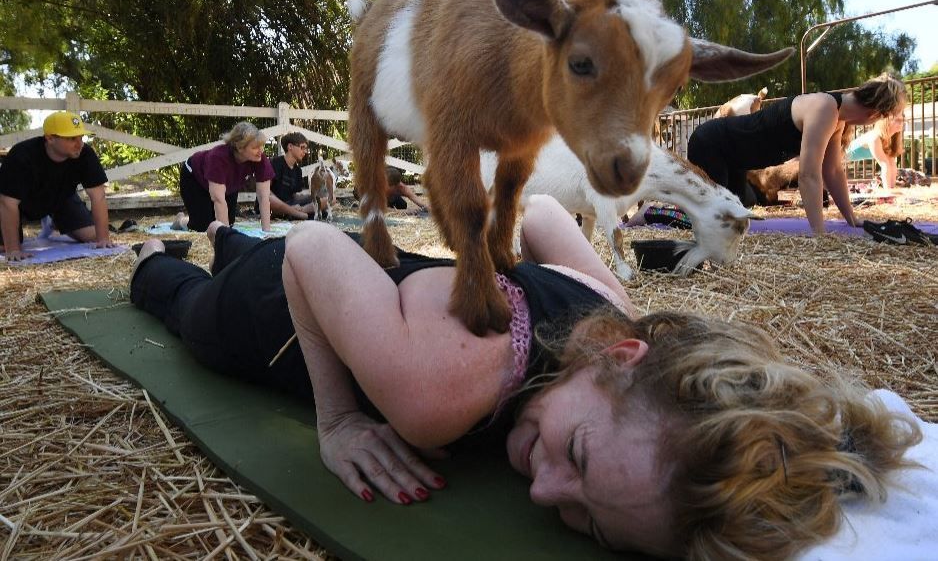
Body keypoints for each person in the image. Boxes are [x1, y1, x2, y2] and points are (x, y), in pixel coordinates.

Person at [130, 194, 921, 560]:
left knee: (234, 246)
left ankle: (221, 232)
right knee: (185, 300)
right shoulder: (437, 394)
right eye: (575, 457)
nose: (545, 494)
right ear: (621, 361)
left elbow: (543, 213)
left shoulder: (614, 311)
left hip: (378, 281)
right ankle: (151, 258)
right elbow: (309, 247)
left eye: (588, 525)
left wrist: (481, 272)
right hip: (271, 314)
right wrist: (338, 421)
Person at [687, 73, 907, 234]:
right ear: (875, 114)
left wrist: (852, 218)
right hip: (711, 144)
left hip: (734, 158)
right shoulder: (824, 108)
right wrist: (819, 233)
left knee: (734, 218)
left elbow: (832, 171)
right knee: (714, 219)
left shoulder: (837, 117)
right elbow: (809, 176)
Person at [0, 111, 114, 261]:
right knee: (5, 247)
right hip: (19, 203)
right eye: (72, 138)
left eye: (81, 137)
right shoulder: (22, 155)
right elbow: (7, 203)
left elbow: (98, 196)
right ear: (50, 138)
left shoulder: (85, 154)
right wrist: (13, 249)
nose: (79, 144)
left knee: (92, 236)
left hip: (61, 198)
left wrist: (103, 239)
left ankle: (54, 222)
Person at [173, 121, 274, 232]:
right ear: (240, 148)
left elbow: (264, 197)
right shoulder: (218, 158)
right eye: (255, 147)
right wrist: (226, 241)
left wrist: (267, 232)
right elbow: (218, 199)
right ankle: (180, 220)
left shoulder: (260, 159)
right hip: (195, 178)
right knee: (204, 226)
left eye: (261, 146)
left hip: (227, 183)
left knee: (228, 223)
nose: (261, 151)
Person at [260, 132, 319, 220]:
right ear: (290, 146)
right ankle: (295, 213)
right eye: (302, 147)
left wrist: (311, 197)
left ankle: (299, 211)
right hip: (272, 205)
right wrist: (286, 206)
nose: (305, 152)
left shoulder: (298, 171)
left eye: (306, 149)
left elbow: (295, 195)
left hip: (290, 204)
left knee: (329, 199)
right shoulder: (274, 163)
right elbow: (265, 191)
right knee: (268, 197)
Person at [845, 113, 904, 189]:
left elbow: (892, 165)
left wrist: (892, 188)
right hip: (838, 156)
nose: (901, 123)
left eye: (902, 120)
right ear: (886, 122)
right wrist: (888, 192)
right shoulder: (874, 137)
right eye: (897, 120)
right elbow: (885, 165)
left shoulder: (890, 139)